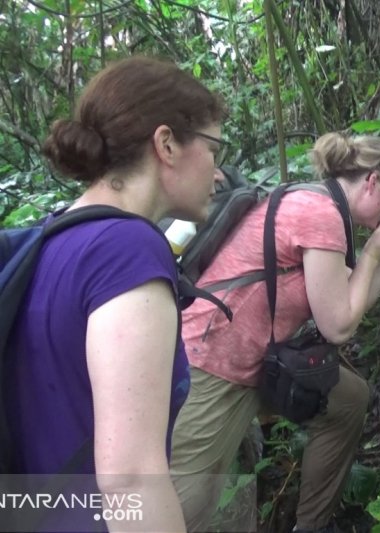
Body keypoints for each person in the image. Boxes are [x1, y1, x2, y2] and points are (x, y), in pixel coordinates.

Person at [3, 56, 226, 532]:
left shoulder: (53, 238)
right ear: (166, 144)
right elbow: (130, 478)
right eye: (214, 149)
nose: (218, 173)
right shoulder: (128, 251)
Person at [170, 132, 380, 532]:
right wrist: (373, 251)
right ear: (372, 181)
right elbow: (338, 325)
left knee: (348, 400)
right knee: (185, 504)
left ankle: (311, 526)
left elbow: (351, 298)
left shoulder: (314, 201)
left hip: (259, 358)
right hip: (213, 363)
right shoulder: (320, 215)